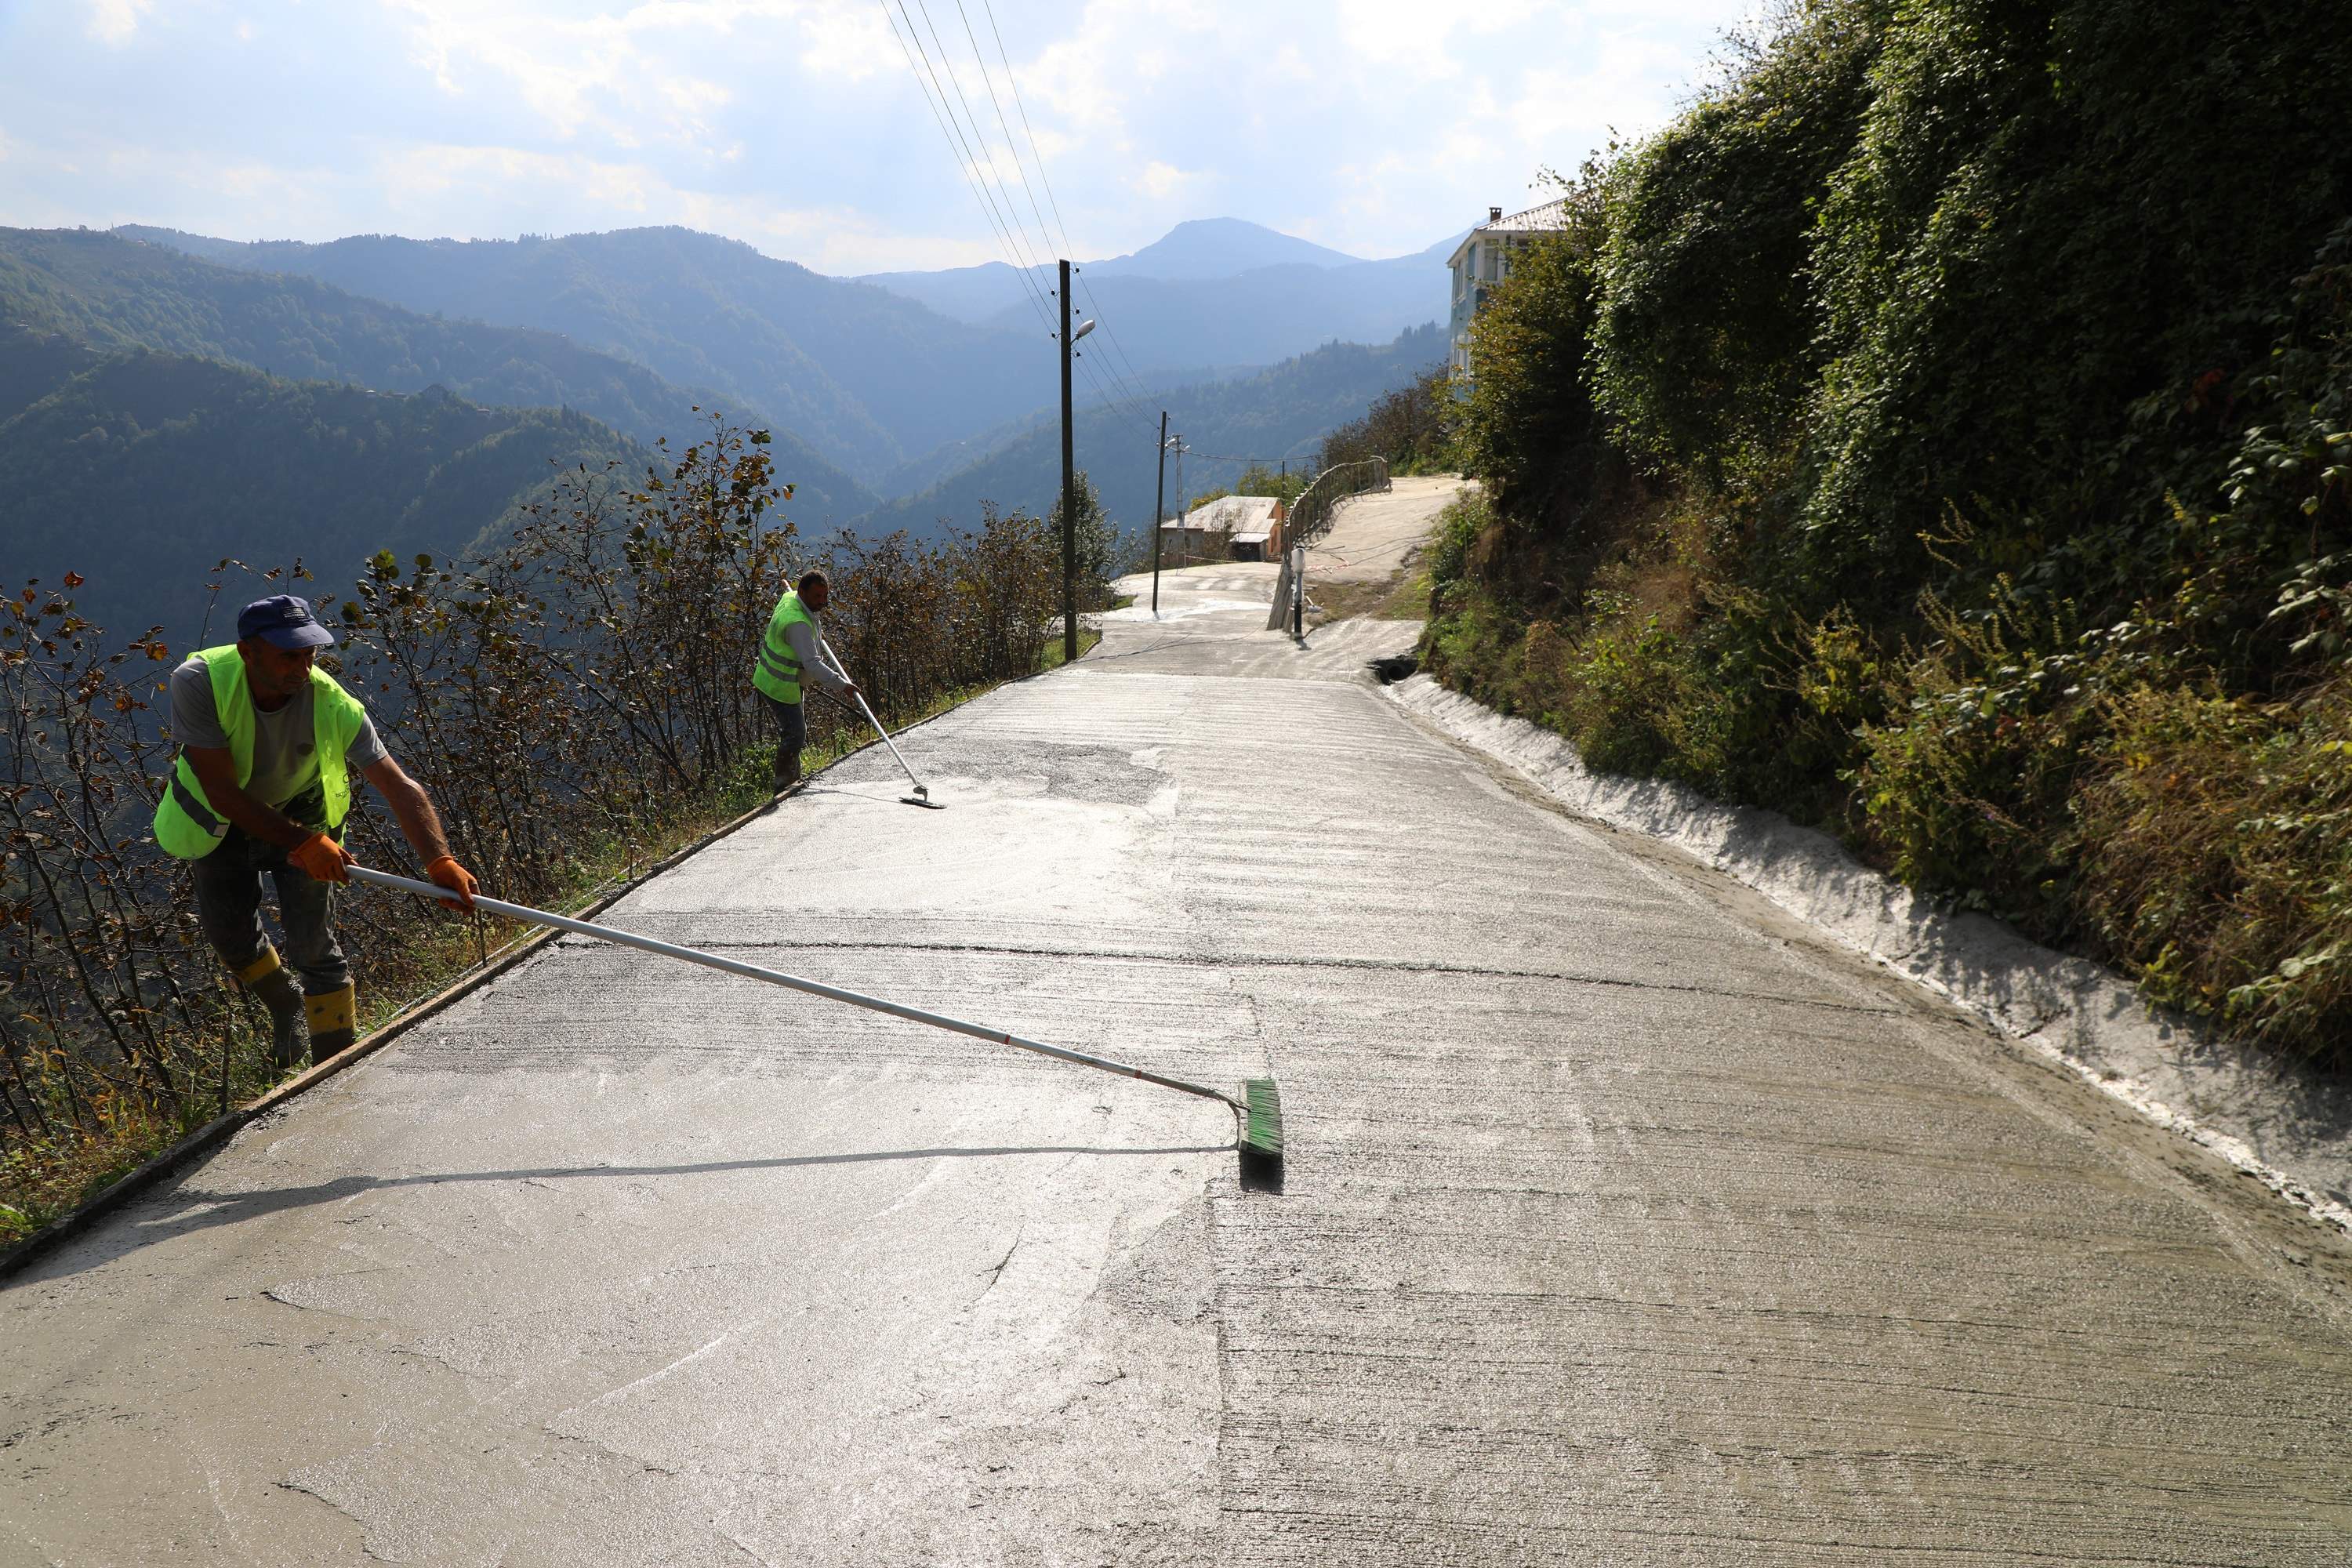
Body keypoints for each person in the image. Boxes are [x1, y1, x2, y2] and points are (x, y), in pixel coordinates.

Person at [153, 593, 480, 1069]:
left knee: (314, 948)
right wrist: (303, 842)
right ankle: (286, 1002)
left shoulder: (332, 703)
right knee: (230, 938)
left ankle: (335, 1070)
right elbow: (221, 791)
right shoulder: (200, 681)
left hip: (303, 814)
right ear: (248, 651)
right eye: (288, 655)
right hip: (220, 818)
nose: (302, 668)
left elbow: (399, 785)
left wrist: (439, 861)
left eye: (309, 654)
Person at [750, 568, 856, 794]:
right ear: (804, 592)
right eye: (818, 596)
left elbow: (788, 592)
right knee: (796, 732)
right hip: (779, 683)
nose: (823, 601)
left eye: (825, 595)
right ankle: (783, 784)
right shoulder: (797, 624)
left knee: (794, 730)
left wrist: (785, 582)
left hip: (784, 677)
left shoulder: (792, 598)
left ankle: (792, 780)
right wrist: (842, 685)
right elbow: (813, 664)